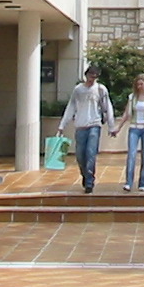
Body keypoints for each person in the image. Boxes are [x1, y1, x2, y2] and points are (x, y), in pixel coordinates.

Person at [58, 64, 114, 193]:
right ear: (86, 75)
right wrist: (62, 125)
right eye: (90, 76)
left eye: (94, 77)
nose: (91, 79)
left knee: (91, 153)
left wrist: (111, 126)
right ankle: (85, 175)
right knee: (80, 155)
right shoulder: (78, 90)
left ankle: (89, 182)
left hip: (94, 124)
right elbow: (71, 107)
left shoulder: (101, 89)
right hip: (80, 125)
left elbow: (108, 107)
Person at [111, 75, 144, 192]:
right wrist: (118, 127)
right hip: (134, 128)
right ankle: (129, 182)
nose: (140, 86)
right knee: (131, 155)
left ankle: (142, 183)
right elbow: (126, 114)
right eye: (138, 84)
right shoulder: (132, 98)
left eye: (142, 84)